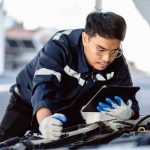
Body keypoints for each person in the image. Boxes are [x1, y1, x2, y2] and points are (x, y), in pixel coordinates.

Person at [0, 11, 140, 142]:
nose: (107, 58)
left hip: (69, 112)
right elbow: (43, 87)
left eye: (114, 50)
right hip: (27, 103)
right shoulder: (60, 45)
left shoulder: (117, 60)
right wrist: (44, 121)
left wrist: (129, 113)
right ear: (85, 38)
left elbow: (131, 102)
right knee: (6, 143)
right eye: (101, 49)